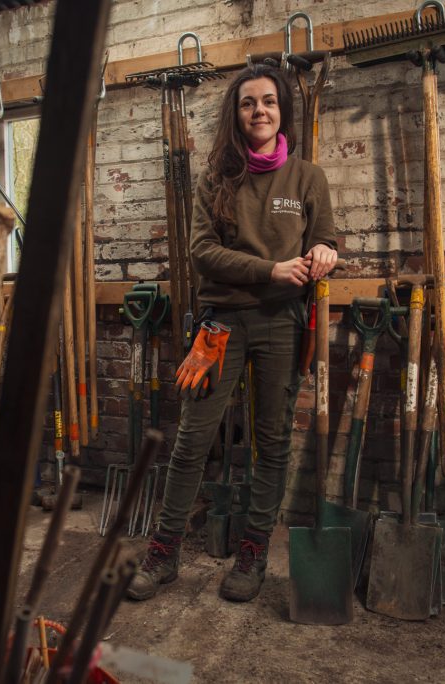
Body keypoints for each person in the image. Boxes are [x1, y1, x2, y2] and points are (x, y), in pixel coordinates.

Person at [127, 64, 338, 603]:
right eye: (248, 103)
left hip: (282, 325)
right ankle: (163, 552)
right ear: (236, 113)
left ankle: (252, 553)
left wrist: (323, 253)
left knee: (271, 444)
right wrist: (268, 269)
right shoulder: (216, 178)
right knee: (192, 440)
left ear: (281, 110)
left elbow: (325, 242)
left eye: (268, 102)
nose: (259, 111)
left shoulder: (307, 178)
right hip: (218, 325)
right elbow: (202, 252)